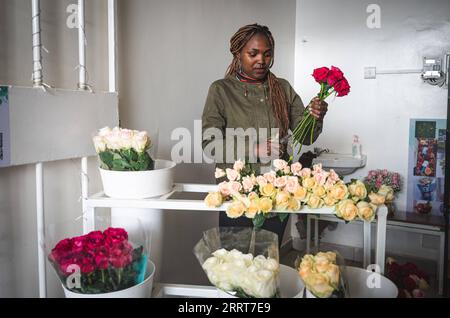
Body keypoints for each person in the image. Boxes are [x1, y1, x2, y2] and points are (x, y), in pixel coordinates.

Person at [201, 23, 328, 244]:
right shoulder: (221, 90)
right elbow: (210, 143)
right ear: (238, 53)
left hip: (277, 193)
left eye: (267, 54)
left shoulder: (283, 88)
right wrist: (253, 149)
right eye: (253, 53)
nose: (261, 60)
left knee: (269, 258)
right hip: (236, 194)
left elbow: (305, 137)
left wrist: (315, 117)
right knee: (235, 260)